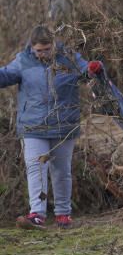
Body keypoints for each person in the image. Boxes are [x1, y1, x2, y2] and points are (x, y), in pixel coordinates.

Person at [0, 26, 105, 229]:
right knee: (36, 168)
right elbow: (5, 76)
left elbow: (86, 72)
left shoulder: (69, 58)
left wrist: (94, 69)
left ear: (54, 45)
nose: (43, 54)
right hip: (33, 126)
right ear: (32, 48)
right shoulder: (23, 61)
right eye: (39, 50)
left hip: (63, 125)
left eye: (47, 49)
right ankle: (37, 214)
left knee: (61, 171)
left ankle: (63, 214)